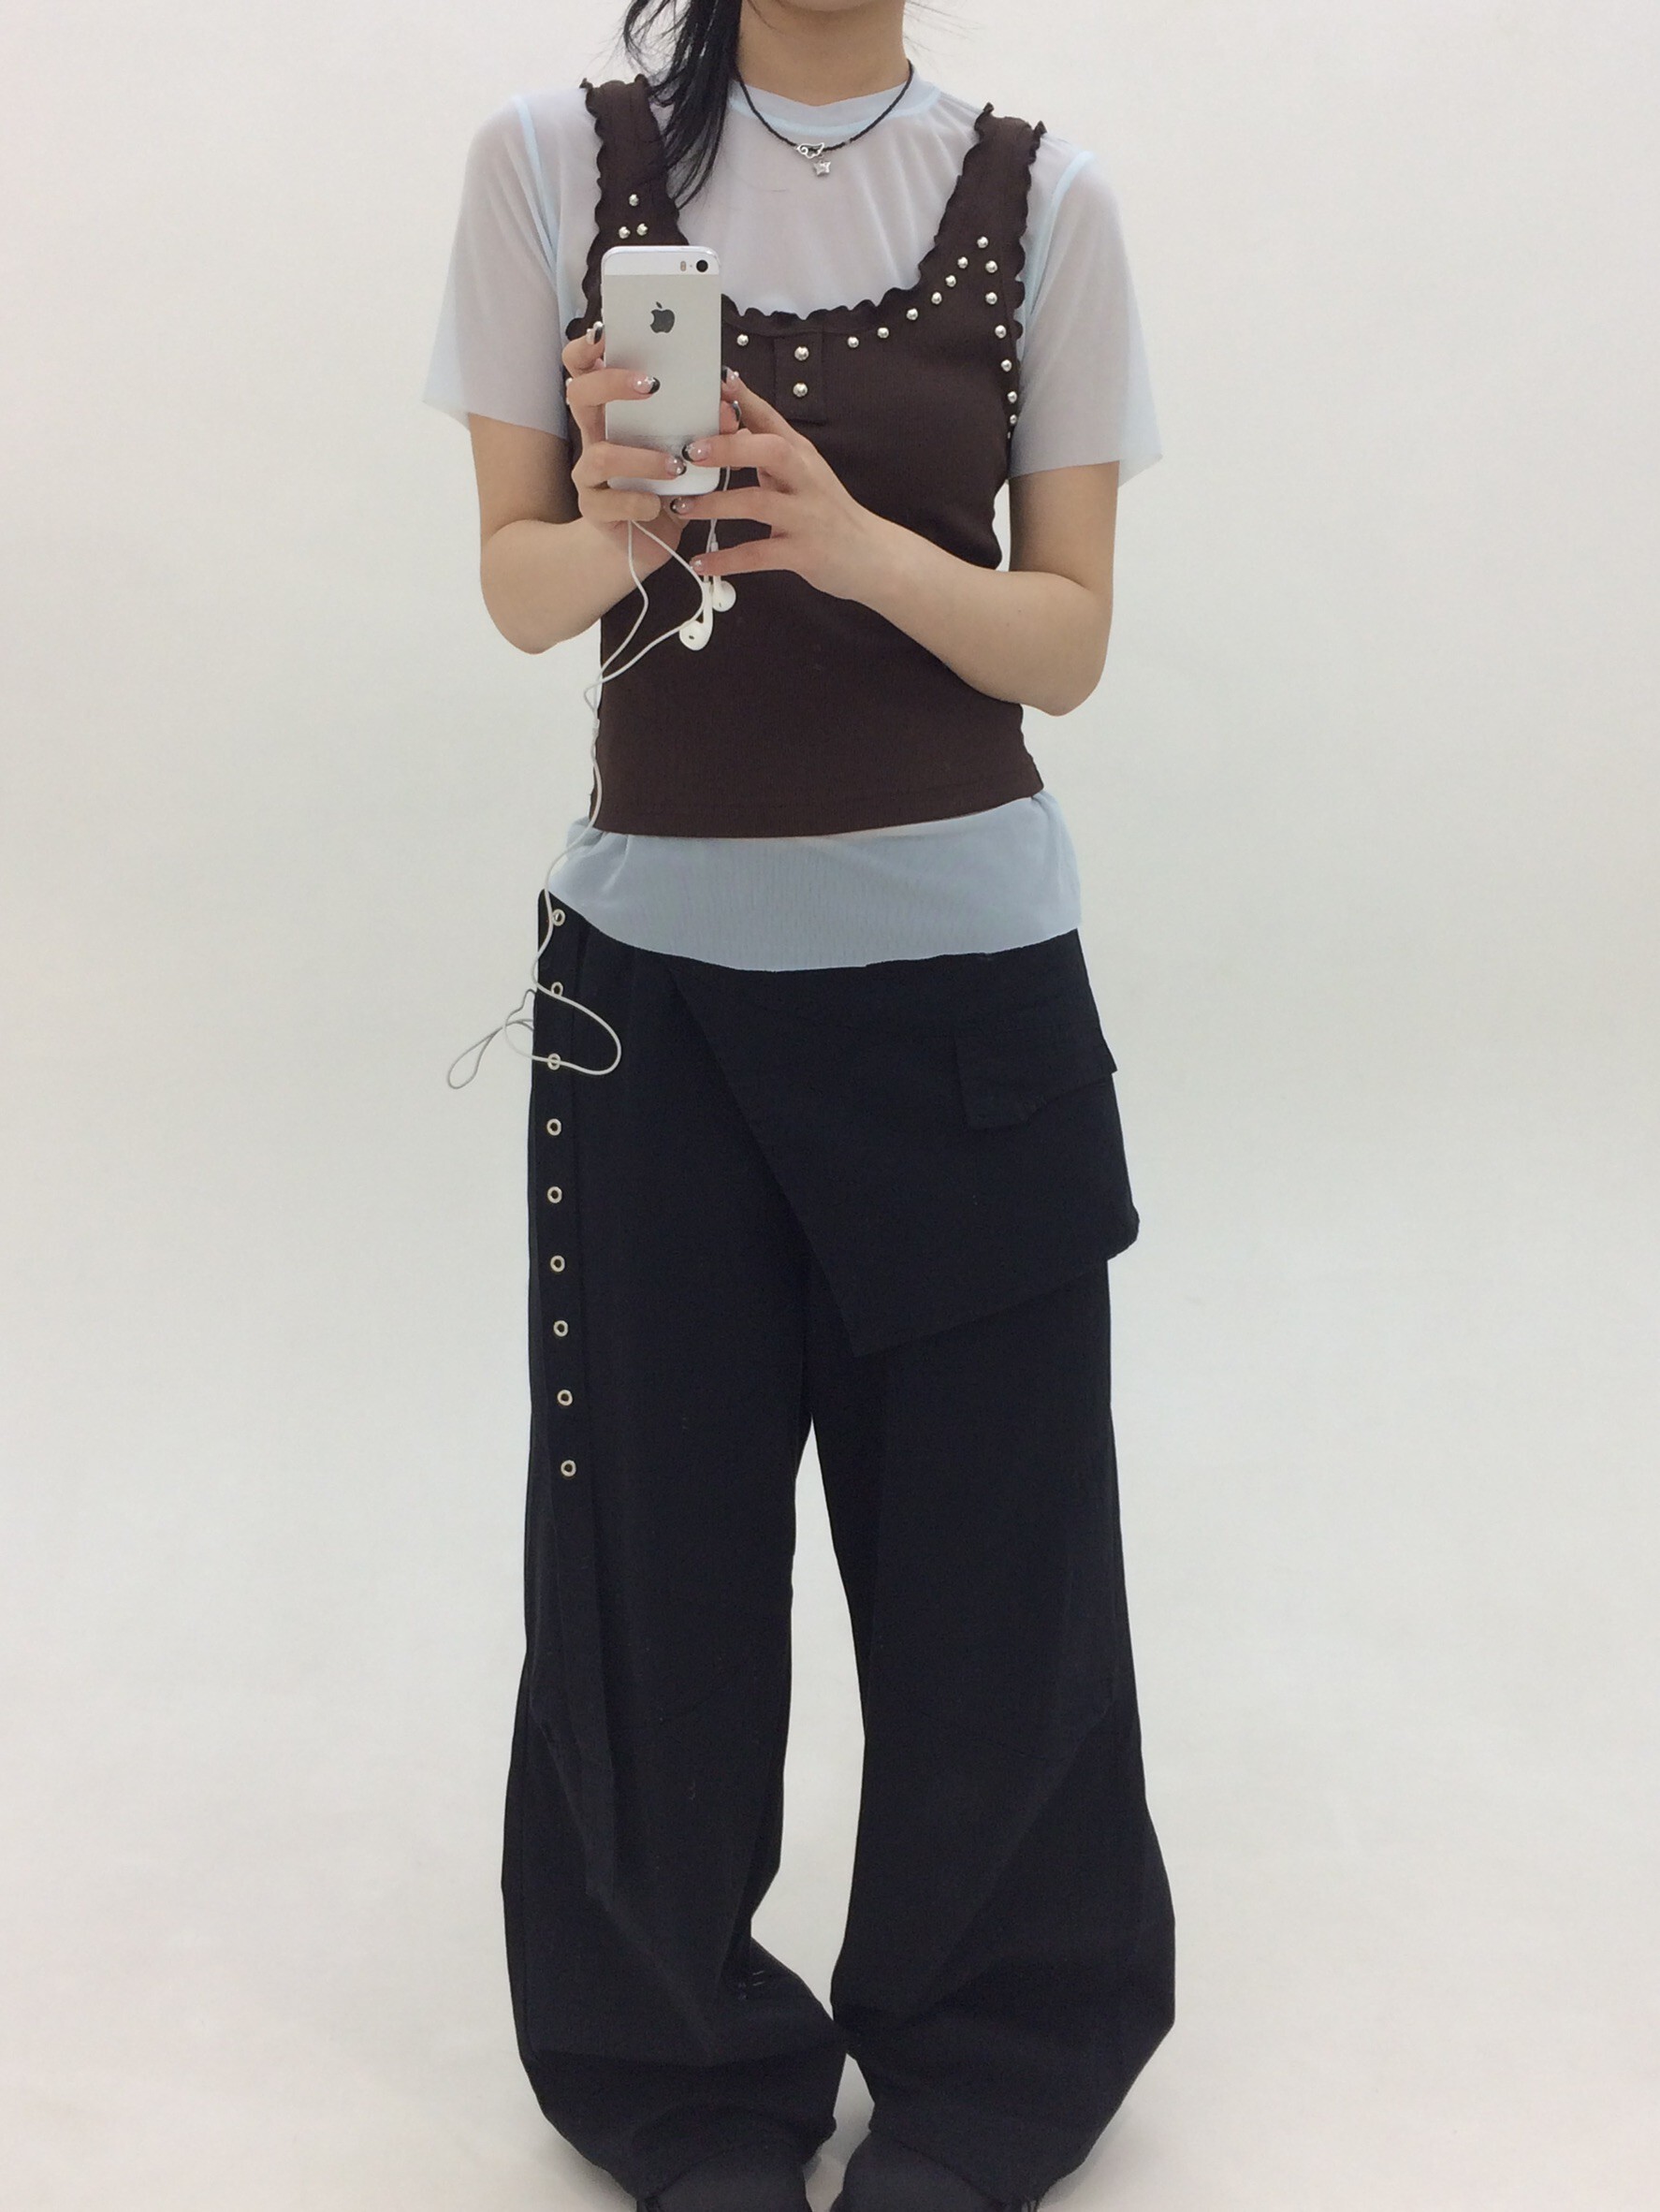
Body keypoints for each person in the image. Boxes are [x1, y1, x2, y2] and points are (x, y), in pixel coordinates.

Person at [423, 4, 1175, 2208]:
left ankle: (996, 2065)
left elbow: (1064, 643)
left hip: (969, 1002)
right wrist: (622, 523)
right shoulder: (547, 161)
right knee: (647, 1566)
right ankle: (676, 2073)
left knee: (996, 1569)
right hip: (654, 1009)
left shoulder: (1044, 197)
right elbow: (512, 588)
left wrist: (846, 542)